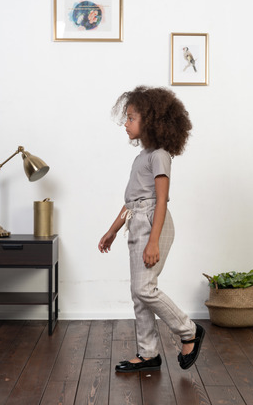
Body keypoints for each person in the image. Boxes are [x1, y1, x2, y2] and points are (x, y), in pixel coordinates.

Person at [98, 86, 205, 372]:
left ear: (151, 121)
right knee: (139, 292)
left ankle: (188, 330)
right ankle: (148, 353)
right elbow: (132, 201)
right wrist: (112, 230)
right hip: (137, 220)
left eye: (131, 118)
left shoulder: (160, 155)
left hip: (152, 222)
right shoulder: (141, 157)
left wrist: (153, 241)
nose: (126, 123)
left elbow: (160, 199)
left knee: (144, 288)